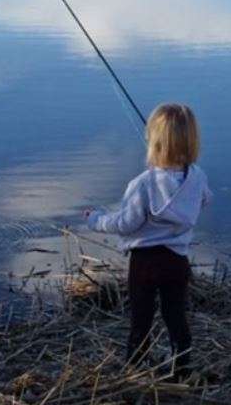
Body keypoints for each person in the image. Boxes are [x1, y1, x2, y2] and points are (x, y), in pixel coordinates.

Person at [85, 103, 212, 379]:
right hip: (177, 262)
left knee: (140, 319)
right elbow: (206, 199)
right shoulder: (197, 177)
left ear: (153, 142)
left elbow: (125, 223)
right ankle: (182, 367)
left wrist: (96, 219)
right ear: (191, 140)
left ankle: (133, 368)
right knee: (175, 315)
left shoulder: (142, 184)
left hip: (144, 264)